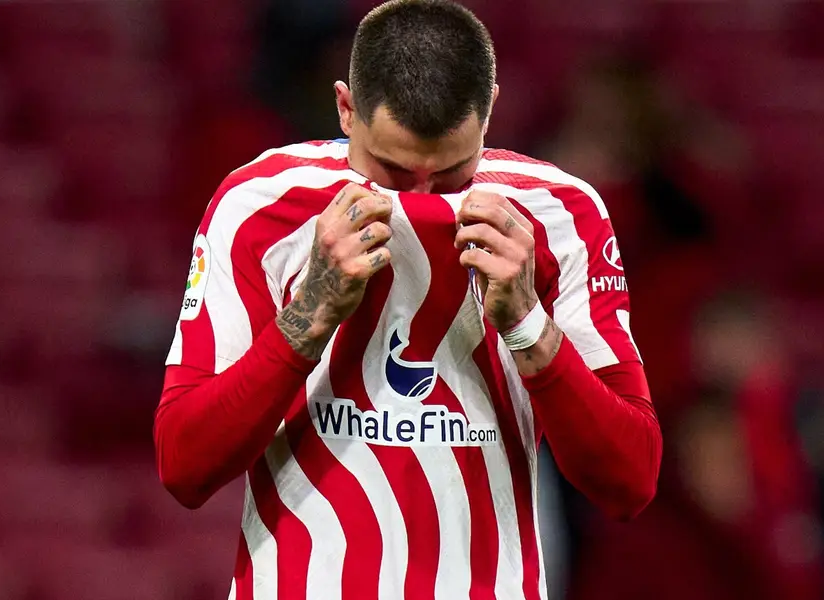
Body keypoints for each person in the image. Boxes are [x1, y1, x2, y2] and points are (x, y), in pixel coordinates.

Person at [153, 1, 662, 598]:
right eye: (392, 172)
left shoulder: (560, 215)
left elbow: (630, 482)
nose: (419, 200)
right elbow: (184, 466)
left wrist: (528, 326)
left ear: (490, 111)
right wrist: (307, 317)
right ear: (346, 109)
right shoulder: (260, 206)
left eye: (451, 175)